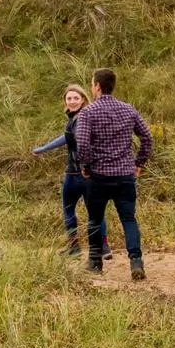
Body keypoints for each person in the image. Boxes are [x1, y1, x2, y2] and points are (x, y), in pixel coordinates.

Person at [72, 67, 154, 280]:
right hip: (125, 174)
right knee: (128, 218)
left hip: (98, 176)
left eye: (92, 83)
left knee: (95, 220)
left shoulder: (88, 112)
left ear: (97, 86)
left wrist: (86, 167)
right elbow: (147, 137)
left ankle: (96, 262)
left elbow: (82, 144)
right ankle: (136, 261)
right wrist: (139, 163)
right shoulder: (128, 109)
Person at [30, 83, 113, 258]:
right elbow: (67, 137)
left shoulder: (83, 117)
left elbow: (72, 139)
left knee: (82, 209)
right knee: (82, 209)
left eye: (76, 98)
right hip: (75, 173)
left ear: (83, 100)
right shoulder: (75, 118)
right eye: (69, 98)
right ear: (65, 101)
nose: (72, 101)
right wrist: (44, 148)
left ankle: (95, 246)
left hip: (84, 173)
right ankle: (94, 246)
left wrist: (45, 148)